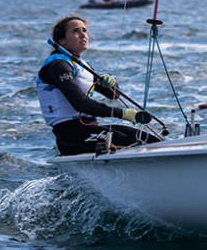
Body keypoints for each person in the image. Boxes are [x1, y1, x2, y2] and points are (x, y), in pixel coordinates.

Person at [37, 14, 160, 156]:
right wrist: (122, 114)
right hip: (70, 136)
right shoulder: (58, 66)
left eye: (84, 30)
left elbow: (113, 95)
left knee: (149, 139)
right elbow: (80, 104)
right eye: (76, 31)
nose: (83, 34)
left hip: (90, 129)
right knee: (135, 143)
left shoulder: (80, 64)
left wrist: (112, 83)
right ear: (62, 41)